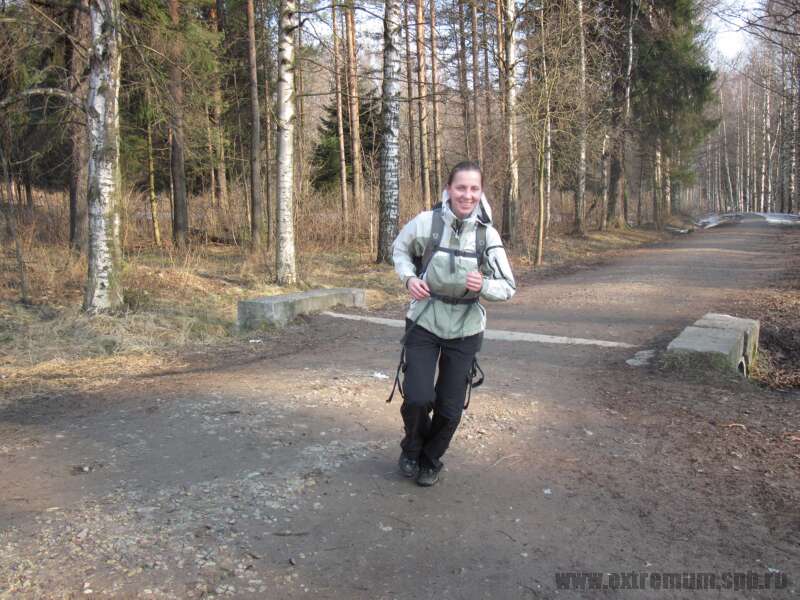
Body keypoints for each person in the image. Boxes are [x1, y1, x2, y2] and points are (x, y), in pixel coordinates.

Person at [391, 161, 516, 486]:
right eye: (461, 187)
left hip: (465, 328)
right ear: (449, 189)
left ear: (481, 192)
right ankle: (412, 449)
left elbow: (508, 286)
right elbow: (400, 249)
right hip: (424, 321)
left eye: (474, 188)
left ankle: (431, 460)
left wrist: (483, 286)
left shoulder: (486, 235)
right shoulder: (426, 223)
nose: (467, 194)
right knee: (418, 397)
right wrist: (408, 279)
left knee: (449, 409)